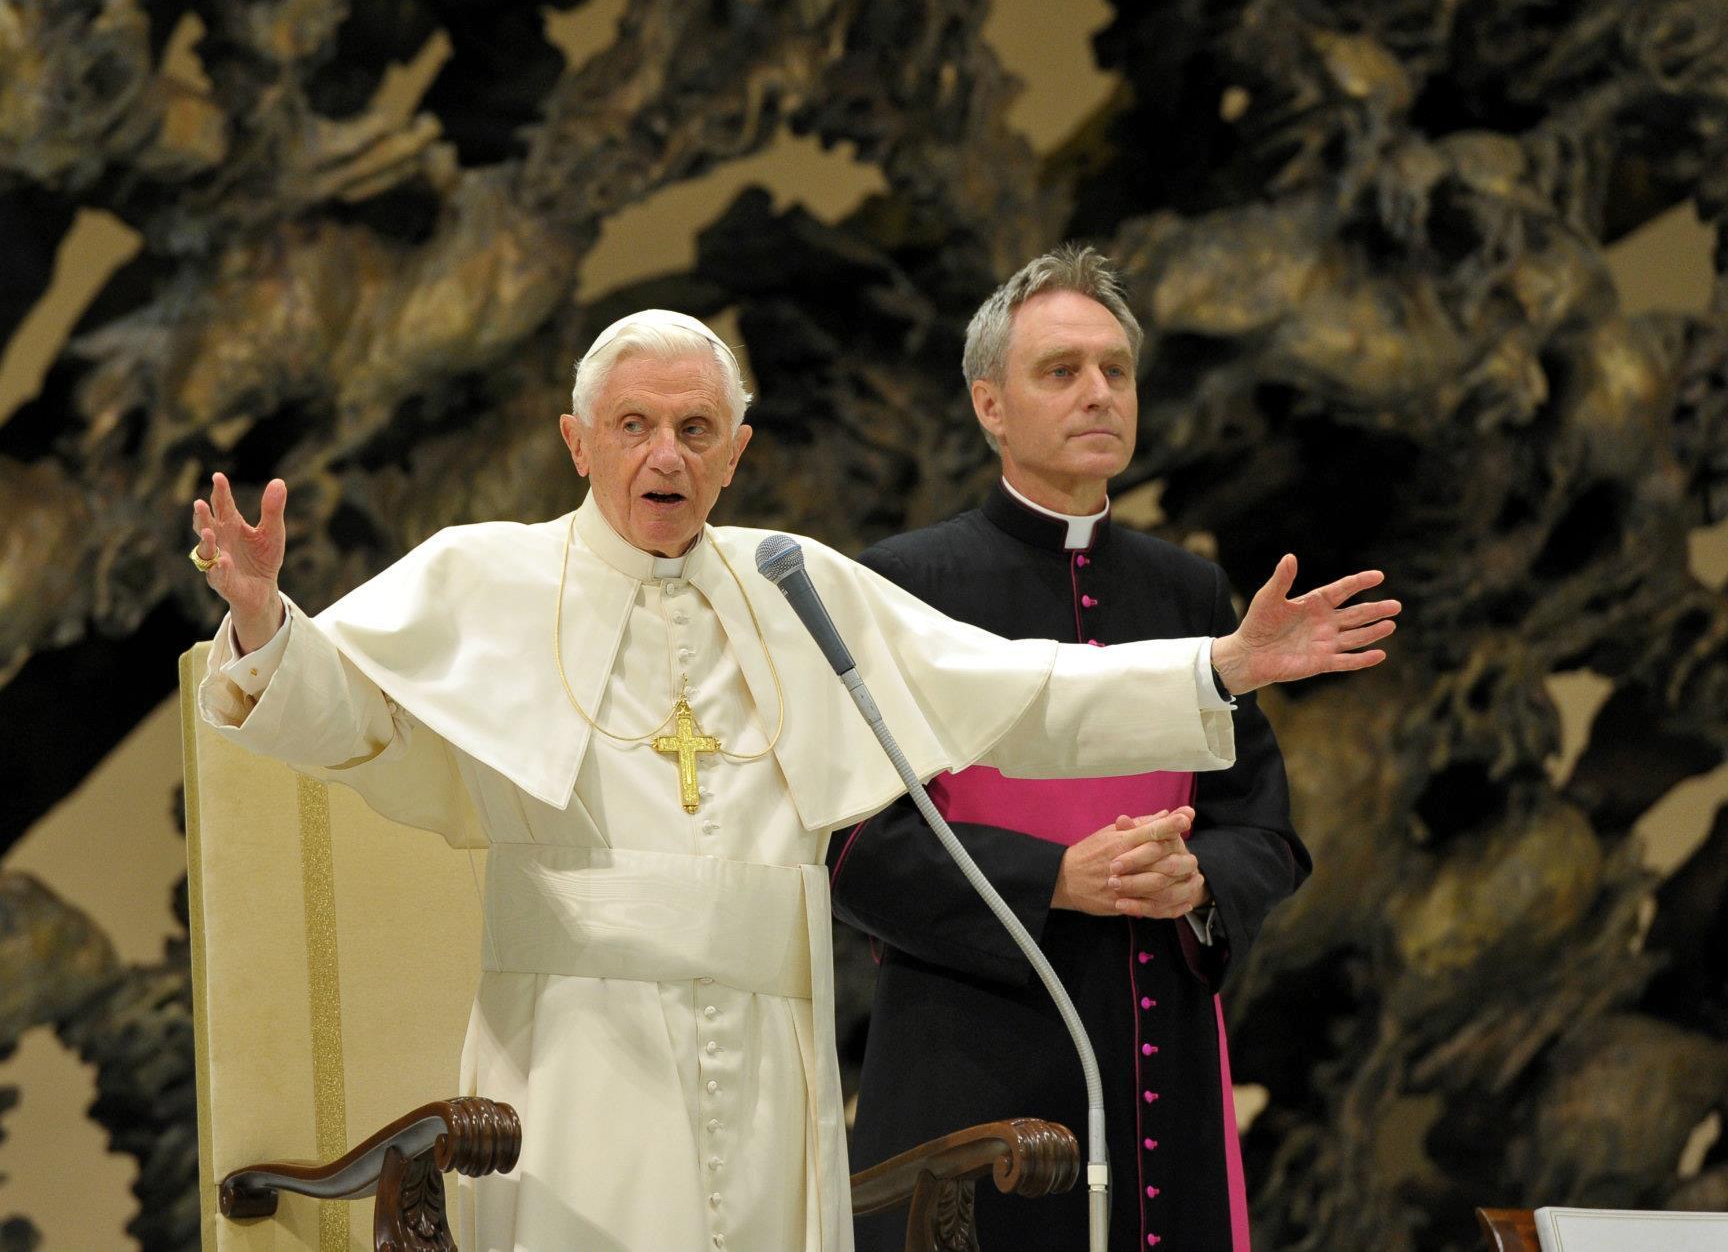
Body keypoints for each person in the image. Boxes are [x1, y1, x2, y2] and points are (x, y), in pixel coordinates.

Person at [186, 308, 1397, 1252]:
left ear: (736, 452)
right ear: (576, 441)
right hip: (576, 1052)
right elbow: (351, 717)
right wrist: (262, 623)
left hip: (773, 1054)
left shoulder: (793, 587)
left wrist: (1221, 664)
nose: (665, 454)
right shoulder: (480, 579)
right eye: (632, 425)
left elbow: (1015, 689)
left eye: (696, 428)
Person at [832, 246, 1335, 1252]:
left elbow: (1263, 832)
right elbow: (851, 847)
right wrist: (1055, 877)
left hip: (1165, 1053)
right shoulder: (902, 585)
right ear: (989, 405)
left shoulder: (1187, 592)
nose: (1098, 393)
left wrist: (1197, 877)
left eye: (1116, 370)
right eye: (1060, 371)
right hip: (974, 1065)